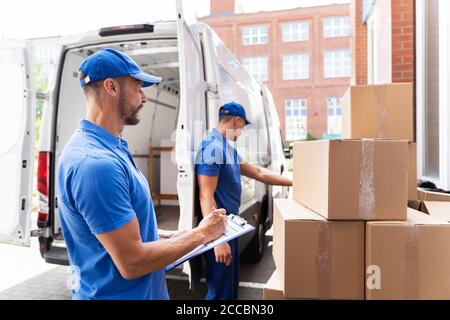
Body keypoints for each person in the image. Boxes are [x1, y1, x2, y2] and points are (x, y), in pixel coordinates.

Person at [57, 48, 227, 300]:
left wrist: (175, 235)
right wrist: (203, 234)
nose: (144, 97)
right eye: (137, 88)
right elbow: (132, 262)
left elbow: (115, 229)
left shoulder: (111, 147)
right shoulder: (95, 164)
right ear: (112, 88)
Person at [195, 102, 293, 300]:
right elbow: (206, 195)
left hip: (229, 228)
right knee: (219, 294)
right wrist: (217, 239)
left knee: (229, 291)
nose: (241, 132)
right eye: (242, 127)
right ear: (237, 120)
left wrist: (295, 181)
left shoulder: (226, 148)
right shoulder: (212, 147)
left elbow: (258, 172)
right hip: (219, 232)